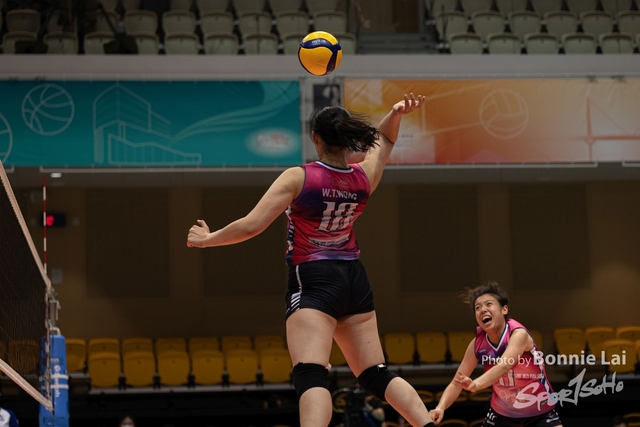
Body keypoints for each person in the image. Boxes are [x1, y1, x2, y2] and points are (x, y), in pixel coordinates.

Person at [187, 94, 436, 427]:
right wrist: (394, 113)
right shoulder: (364, 177)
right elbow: (386, 141)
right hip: (354, 278)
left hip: (314, 278)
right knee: (375, 373)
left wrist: (208, 239)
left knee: (310, 373)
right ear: (347, 137)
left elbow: (251, 226)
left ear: (316, 138)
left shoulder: (299, 177)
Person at [429, 281, 562, 427]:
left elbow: (504, 366)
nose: (482, 310)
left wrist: (476, 384)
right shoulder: (477, 344)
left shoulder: (518, 334)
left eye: (488, 304)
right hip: (501, 414)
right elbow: (457, 382)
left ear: (504, 309)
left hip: (539, 411)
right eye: (477, 307)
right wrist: (440, 407)